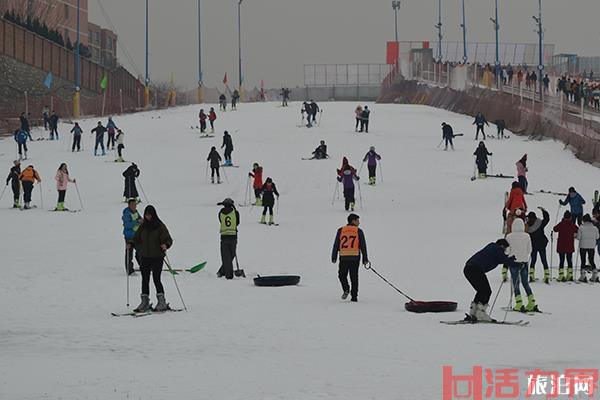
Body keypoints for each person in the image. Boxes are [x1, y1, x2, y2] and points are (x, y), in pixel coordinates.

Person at [130, 205, 173, 312]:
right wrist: (131, 243)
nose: (148, 217)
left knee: (156, 278)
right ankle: (145, 302)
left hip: (157, 256)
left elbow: (168, 239)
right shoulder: (143, 226)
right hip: (145, 256)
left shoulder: (160, 226)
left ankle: (161, 302)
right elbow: (137, 238)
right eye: (146, 215)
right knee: (145, 279)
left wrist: (166, 245)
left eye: (149, 215)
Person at [463, 239, 518, 322]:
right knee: (487, 291)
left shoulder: (493, 248)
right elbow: (502, 259)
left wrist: (509, 259)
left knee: (481, 291)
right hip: (475, 269)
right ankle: (480, 314)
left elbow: (500, 259)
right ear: (502, 246)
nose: (505, 251)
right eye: (505, 249)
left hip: (468, 269)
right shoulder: (497, 249)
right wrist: (516, 264)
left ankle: (473, 313)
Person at [331, 213, 369, 302]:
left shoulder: (341, 230)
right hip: (355, 258)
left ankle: (346, 289)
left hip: (343, 257)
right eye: (358, 220)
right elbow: (363, 246)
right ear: (353, 221)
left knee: (341, 275)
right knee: (354, 277)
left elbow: (336, 244)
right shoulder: (358, 231)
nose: (359, 222)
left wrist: (334, 256)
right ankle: (354, 296)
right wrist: (365, 258)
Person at [506, 218, 538, 312]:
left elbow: (507, 251)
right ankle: (531, 301)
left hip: (513, 262)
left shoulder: (509, 236)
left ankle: (519, 303)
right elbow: (530, 250)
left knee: (515, 283)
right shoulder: (527, 236)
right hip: (524, 262)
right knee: (525, 283)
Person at [217, 198, 240, 279]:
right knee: (232, 255)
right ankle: (228, 274)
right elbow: (237, 222)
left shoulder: (220, 213)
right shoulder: (235, 212)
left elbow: (220, 221)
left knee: (226, 256)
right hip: (233, 236)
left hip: (224, 236)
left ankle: (222, 271)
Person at [526, 207, 550, 283]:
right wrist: (544, 211)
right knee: (544, 260)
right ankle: (546, 275)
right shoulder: (540, 223)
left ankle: (531, 275)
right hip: (542, 244)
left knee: (533, 260)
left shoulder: (527, 227)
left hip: (533, 245)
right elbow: (547, 219)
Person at [553, 210, 578, 282]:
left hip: (561, 245)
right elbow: (577, 230)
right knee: (569, 260)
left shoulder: (561, 223)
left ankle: (561, 275)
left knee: (561, 260)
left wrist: (561, 221)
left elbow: (555, 229)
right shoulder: (572, 224)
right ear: (570, 217)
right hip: (569, 245)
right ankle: (570, 275)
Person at [122, 198, 143, 275]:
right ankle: (130, 271)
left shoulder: (136, 212)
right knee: (129, 253)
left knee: (141, 251)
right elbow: (127, 225)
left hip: (137, 236)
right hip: (129, 237)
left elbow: (140, 219)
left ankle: (143, 266)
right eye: (132, 205)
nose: (134, 206)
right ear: (129, 205)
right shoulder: (126, 213)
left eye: (135, 205)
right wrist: (137, 222)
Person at [577, 214, 599, 283]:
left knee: (583, 260)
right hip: (592, 246)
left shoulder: (581, 227)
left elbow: (578, 237)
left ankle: (583, 276)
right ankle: (594, 275)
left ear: (584, 220)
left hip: (583, 246)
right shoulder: (595, 228)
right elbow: (597, 237)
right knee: (591, 260)